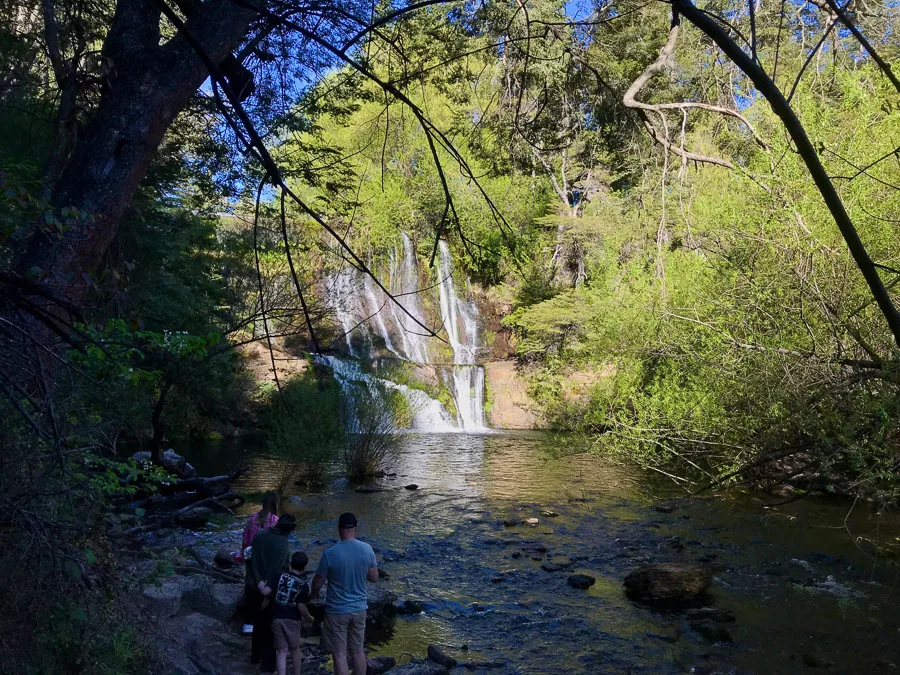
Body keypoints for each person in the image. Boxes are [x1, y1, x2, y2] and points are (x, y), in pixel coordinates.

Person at [311, 513, 378, 675]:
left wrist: (314, 594)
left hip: (337, 610)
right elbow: (374, 578)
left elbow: (318, 582)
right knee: (357, 651)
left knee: (339, 654)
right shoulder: (367, 549)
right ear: (356, 528)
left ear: (339, 529)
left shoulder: (330, 554)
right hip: (359, 608)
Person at [246, 513, 297, 673]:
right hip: (269, 590)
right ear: (289, 530)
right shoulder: (282, 543)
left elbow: (252, 561)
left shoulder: (260, 536)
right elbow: (275, 569)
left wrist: (258, 581)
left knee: (256, 623)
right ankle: (267, 666)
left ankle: (254, 656)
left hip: (252, 585)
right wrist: (266, 590)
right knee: (269, 628)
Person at [258, 551, 314, 675]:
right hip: (292, 620)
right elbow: (301, 606)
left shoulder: (279, 576)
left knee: (281, 650)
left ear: (290, 564)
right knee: (294, 649)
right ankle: (297, 673)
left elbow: (266, 592)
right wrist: (308, 617)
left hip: (276, 617)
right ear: (305, 567)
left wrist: (260, 583)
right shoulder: (304, 585)